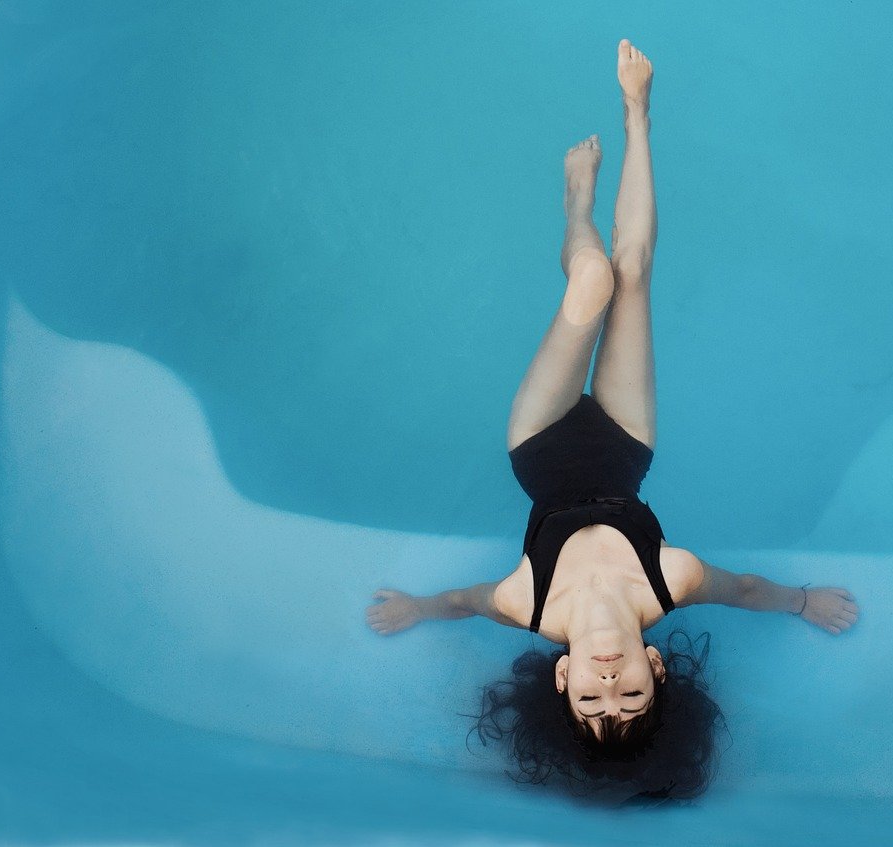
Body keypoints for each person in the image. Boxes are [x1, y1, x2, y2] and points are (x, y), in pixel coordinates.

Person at [367, 39, 859, 801]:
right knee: (632, 273)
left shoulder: (528, 605)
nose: (608, 685)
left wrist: (418, 608)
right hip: (626, 448)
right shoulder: (673, 579)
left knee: (592, 279)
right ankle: (637, 115)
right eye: (630, 696)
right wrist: (805, 602)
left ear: (561, 677)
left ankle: (574, 208)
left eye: (589, 699)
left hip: (540, 444)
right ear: (656, 668)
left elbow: (464, 600)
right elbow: (750, 588)